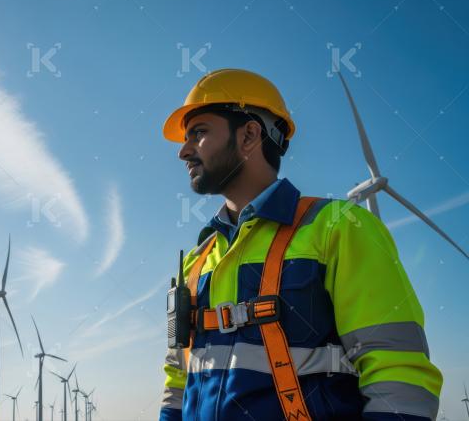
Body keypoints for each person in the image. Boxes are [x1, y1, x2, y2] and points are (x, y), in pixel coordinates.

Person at [159, 68, 442, 420]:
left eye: (198, 133)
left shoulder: (338, 227)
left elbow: (397, 372)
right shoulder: (198, 261)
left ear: (249, 135)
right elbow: (179, 379)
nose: (183, 151)